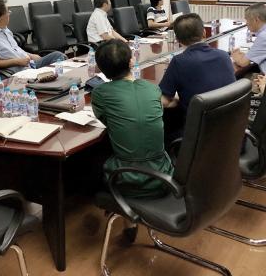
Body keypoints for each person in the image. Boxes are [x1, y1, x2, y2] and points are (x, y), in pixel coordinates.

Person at [91, 40, 173, 198]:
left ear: (100, 69)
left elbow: (106, 121)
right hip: (163, 176)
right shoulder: (152, 88)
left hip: (125, 180)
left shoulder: (100, 93)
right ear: (131, 62)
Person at [159, 14, 236, 141]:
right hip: (231, 133)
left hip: (199, 137)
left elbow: (164, 101)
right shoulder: (224, 56)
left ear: (177, 40)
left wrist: (177, 99)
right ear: (204, 33)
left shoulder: (179, 62)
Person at [0, 0, 65, 74]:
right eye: (8, 12)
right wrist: (16, 62)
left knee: (58, 56)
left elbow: (15, 49)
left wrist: (30, 55)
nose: (9, 13)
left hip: (29, 63)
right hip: (17, 70)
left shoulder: (4, 28)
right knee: (52, 72)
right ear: (0, 18)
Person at [231, 3, 266, 74]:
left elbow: (243, 63)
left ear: (256, 20)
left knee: (234, 73)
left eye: (247, 20)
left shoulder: (265, 36)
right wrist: (245, 56)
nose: (246, 23)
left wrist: (234, 56)